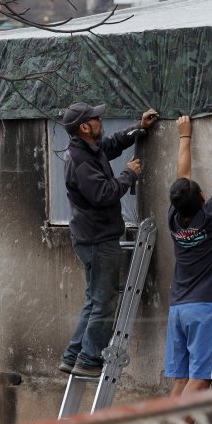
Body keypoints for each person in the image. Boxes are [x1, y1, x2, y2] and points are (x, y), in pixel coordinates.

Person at [58, 101, 158, 378]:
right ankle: (89, 359)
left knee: (93, 301)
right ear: (84, 127)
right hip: (98, 240)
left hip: (92, 237)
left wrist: (137, 128)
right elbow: (103, 194)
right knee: (103, 302)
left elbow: (111, 145)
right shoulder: (79, 161)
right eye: (96, 119)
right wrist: (129, 175)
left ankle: (72, 356)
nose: (101, 122)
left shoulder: (89, 149)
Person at [160, 107, 212, 424]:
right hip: (206, 309)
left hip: (179, 308)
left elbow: (182, 175)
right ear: (202, 198)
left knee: (180, 380)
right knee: (200, 379)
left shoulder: (174, 221)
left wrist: (184, 135)